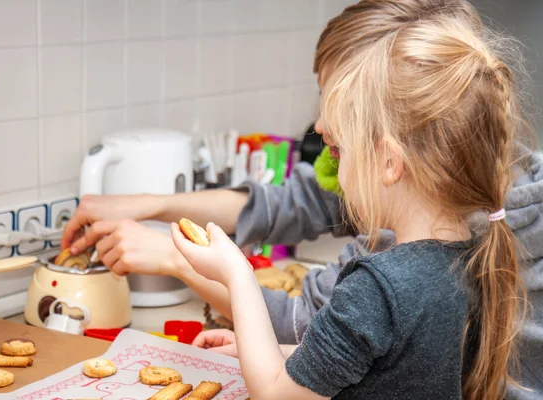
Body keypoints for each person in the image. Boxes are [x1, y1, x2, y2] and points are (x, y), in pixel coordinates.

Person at [62, 1, 543, 397]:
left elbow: (275, 395)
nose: (328, 166)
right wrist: (283, 354)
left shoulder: (376, 284)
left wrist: (235, 272)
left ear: (389, 163)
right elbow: (388, 363)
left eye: (338, 148)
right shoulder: (471, 257)